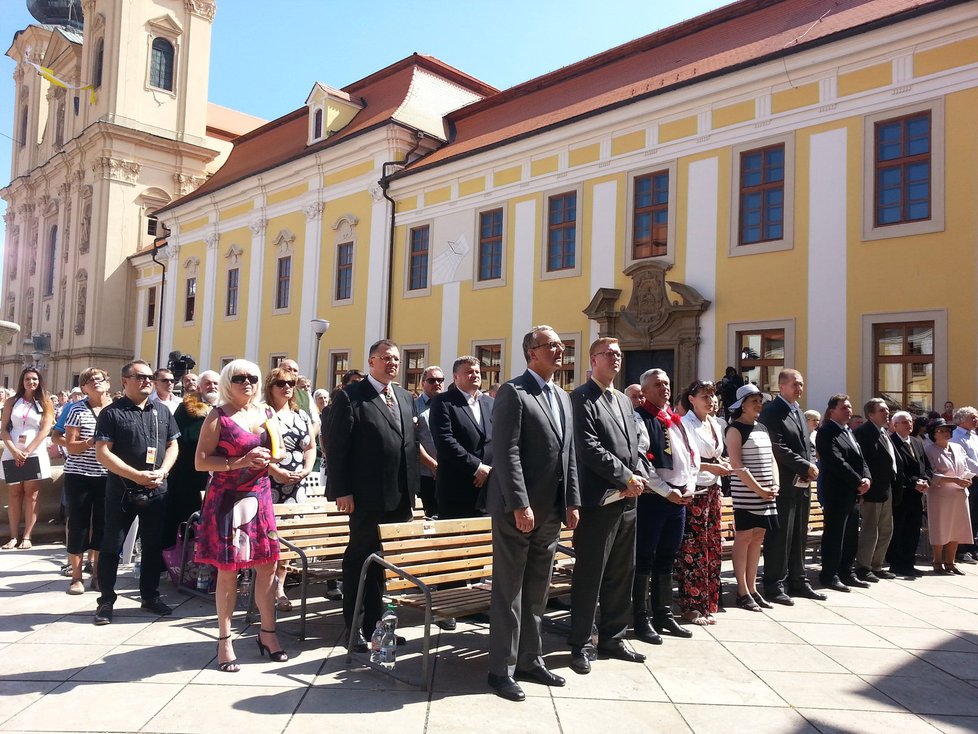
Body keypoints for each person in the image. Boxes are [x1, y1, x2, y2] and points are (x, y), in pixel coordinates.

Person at [486, 325, 580, 702]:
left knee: (538, 588)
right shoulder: (514, 391)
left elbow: (568, 454)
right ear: (531, 353)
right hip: (518, 509)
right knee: (509, 590)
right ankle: (501, 669)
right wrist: (519, 503)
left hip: (552, 510)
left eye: (561, 345)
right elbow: (506, 452)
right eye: (550, 346)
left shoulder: (562, 395)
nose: (559, 351)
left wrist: (572, 500)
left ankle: (529, 658)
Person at [325, 339, 419, 651]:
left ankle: (378, 627)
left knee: (383, 566)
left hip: (399, 497)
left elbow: (407, 446)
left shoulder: (404, 397)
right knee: (360, 562)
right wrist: (343, 491)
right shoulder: (351, 397)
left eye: (396, 358)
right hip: (365, 497)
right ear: (371, 362)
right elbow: (338, 449)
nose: (393, 363)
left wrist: (413, 493)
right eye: (386, 358)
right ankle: (355, 628)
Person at [194, 360, 286, 671]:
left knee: (268, 567)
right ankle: (224, 639)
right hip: (228, 499)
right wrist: (240, 461)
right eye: (238, 378)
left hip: (260, 497)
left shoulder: (266, 413)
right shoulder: (217, 416)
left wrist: (275, 465)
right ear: (227, 382)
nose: (246, 382)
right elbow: (201, 461)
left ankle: (268, 633)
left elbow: (278, 449)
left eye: (252, 377)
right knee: (228, 571)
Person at [566, 337, 647, 675]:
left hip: (627, 501)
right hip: (598, 500)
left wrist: (637, 476)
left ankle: (614, 636)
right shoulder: (581, 398)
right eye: (608, 354)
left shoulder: (623, 401)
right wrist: (625, 477)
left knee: (621, 572)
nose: (615, 358)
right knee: (591, 574)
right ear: (593, 359)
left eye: (618, 354)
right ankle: (582, 643)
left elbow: (635, 445)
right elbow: (588, 447)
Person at [93, 360, 180, 625]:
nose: (146, 381)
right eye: (140, 377)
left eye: (149, 377)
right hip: (122, 491)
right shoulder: (112, 413)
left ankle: (150, 596)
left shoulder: (162, 411)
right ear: (125, 381)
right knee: (111, 546)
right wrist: (135, 475)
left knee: (153, 545)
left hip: (157, 490)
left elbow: (173, 445)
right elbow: (102, 453)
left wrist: (163, 471)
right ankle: (106, 601)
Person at [632, 368, 696, 642]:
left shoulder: (675, 420)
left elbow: (690, 458)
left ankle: (664, 614)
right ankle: (641, 618)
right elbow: (641, 462)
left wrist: (690, 486)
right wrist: (666, 491)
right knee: (644, 559)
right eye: (658, 385)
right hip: (653, 500)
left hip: (678, 499)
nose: (665, 388)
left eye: (667, 384)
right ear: (644, 391)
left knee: (667, 558)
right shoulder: (640, 418)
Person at [759, 369, 824, 604]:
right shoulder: (772, 412)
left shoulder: (797, 410)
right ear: (782, 386)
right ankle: (775, 584)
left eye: (802, 384)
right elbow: (777, 446)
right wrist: (803, 465)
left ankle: (798, 580)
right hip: (784, 482)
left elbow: (804, 444)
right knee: (780, 535)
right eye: (795, 384)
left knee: (799, 533)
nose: (800, 388)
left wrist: (809, 466)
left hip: (802, 483)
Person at [678, 380, 731, 624]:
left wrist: (724, 464)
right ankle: (692, 605)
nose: (711, 400)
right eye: (705, 396)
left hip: (713, 488)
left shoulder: (715, 423)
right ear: (692, 399)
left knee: (711, 544)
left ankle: (709, 601)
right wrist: (712, 466)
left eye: (713, 396)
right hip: (696, 489)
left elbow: (717, 452)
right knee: (693, 549)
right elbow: (688, 458)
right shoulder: (685, 423)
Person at [264, 366, 316, 610]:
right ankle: (265, 587)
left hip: (297, 486)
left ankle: (280, 588)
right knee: (269, 538)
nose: (287, 387)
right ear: (270, 387)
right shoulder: (262, 414)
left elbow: (310, 447)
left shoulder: (301, 415)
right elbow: (257, 449)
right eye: (281, 383)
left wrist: (306, 470)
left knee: (289, 539)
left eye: (291, 383)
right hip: (270, 483)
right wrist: (277, 472)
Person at [725, 384, 778, 611]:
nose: (758, 405)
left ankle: (753, 587)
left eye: (760, 401)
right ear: (742, 404)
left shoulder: (762, 428)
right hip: (747, 494)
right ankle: (742, 591)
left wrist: (776, 483)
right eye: (754, 401)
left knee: (758, 538)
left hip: (766, 493)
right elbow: (737, 464)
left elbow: (772, 459)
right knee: (744, 537)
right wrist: (758, 489)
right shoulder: (735, 429)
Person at [61, 367, 111, 594]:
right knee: (78, 524)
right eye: (89, 381)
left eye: (98, 379)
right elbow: (70, 446)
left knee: (102, 524)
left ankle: (98, 575)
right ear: (83, 388)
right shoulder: (76, 410)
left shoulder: (114, 410)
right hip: (79, 475)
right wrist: (93, 441)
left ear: (107, 383)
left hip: (106, 475)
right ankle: (77, 577)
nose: (95, 382)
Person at [816, 394, 872, 593]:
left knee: (850, 535)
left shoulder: (848, 431)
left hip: (853, 492)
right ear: (832, 411)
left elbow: (861, 458)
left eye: (849, 407)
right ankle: (830, 575)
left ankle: (847, 572)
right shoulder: (826, 431)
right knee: (835, 535)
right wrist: (858, 481)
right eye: (843, 408)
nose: (848, 410)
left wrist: (867, 478)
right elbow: (835, 461)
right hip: (837, 492)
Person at [429, 356, 494, 520]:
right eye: (469, 372)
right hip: (456, 488)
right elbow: (445, 441)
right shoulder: (443, 402)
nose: (475, 375)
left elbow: (498, 439)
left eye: (477, 372)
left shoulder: (491, 403)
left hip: (488, 488)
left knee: (485, 543)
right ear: (456, 377)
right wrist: (477, 467)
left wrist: (489, 470)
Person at [163, 370, 219, 549]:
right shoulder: (188, 407)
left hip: (217, 475)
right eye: (208, 383)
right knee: (186, 519)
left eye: (216, 383)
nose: (212, 387)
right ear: (200, 387)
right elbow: (180, 439)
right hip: (188, 475)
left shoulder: (226, 406)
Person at [1, 367, 55, 550]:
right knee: (14, 493)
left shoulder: (45, 402)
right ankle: (13, 536)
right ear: (22, 381)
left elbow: (45, 430)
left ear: (39, 381)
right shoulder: (11, 401)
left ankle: (27, 536)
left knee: (32, 494)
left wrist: (28, 451)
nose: (31, 382)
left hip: (35, 450)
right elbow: (3, 429)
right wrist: (14, 450)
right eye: (27, 379)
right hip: (12, 449)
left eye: (34, 379)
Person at [854, 398, 898, 583]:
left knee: (886, 529)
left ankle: (877, 564)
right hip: (872, 490)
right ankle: (864, 566)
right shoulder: (864, 433)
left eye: (887, 410)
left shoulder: (883, 432)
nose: (886, 413)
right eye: (882, 410)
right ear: (870, 414)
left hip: (885, 488)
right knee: (870, 530)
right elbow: (862, 462)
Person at [924, 419, 974, 575]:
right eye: (942, 430)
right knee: (941, 527)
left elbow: (965, 467)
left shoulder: (957, 448)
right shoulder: (929, 449)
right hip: (940, 495)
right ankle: (937, 561)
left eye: (948, 430)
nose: (947, 433)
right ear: (934, 433)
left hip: (959, 493)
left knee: (957, 527)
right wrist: (954, 480)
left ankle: (951, 562)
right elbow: (932, 473)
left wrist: (968, 478)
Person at [886, 410, 931, 577]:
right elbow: (896, 470)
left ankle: (909, 562)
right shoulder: (891, 442)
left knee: (913, 530)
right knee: (900, 529)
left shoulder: (916, 442)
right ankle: (897, 563)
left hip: (917, 495)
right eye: (904, 422)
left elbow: (926, 465)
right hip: (902, 494)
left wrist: (926, 479)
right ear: (895, 425)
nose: (909, 425)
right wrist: (914, 483)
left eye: (910, 422)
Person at [414, 365, 445, 517]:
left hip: (447, 473)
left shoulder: (448, 405)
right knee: (430, 517)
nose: (437, 384)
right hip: (425, 474)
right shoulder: (414, 406)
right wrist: (433, 465)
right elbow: (413, 441)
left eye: (440, 380)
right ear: (422, 383)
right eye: (432, 380)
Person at [950, 407, 978, 564]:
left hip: (976, 479)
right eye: (972, 417)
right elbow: (964, 459)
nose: (976, 420)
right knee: (966, 515)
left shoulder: (974, 436)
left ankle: (972, 547)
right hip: (967, 479)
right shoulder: (956, 435)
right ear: (961, 420)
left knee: (975, 516)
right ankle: (962, 550)